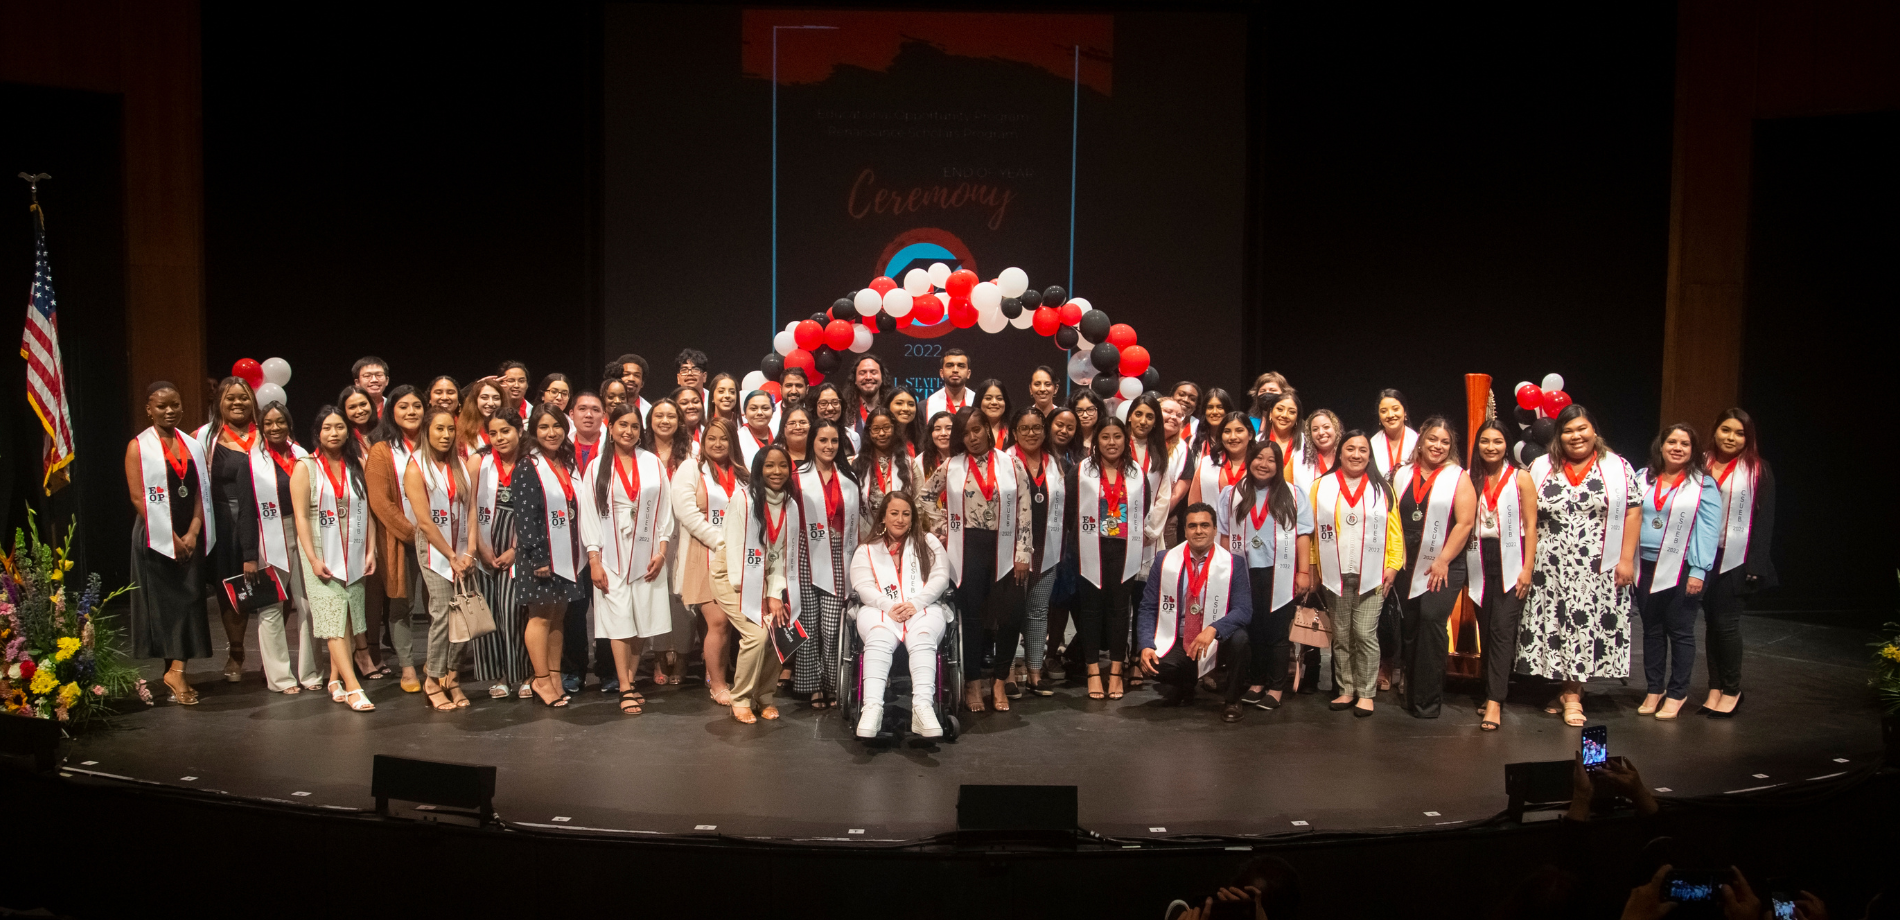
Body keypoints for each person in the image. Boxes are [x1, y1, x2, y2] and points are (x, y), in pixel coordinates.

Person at [1522, 404, 1642, 727]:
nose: (1575, 436)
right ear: (1558, 436)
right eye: (1567, 431)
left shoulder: (1617, 466)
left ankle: (1573, 695)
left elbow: (1633, 510)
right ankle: (1567, 690)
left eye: (1581, 429)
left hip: (1598, 567)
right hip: (1550, 567)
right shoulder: (1540, 467)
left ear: (1594, 431)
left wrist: (1627, 559)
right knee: (1559, 626)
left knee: (1582, 626)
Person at [920, 407, 1034, 712]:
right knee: (970, 619)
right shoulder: (951, 465)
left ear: (988, 428)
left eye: (977, 429)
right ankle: (972, 682)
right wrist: (943, 528)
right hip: (967, 549)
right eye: (965, 432)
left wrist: (1024, 553)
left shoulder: (1012, 464)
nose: (972, 437)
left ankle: (998, 681)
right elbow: (925, 497)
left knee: (1011, 616)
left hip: (1007, 550)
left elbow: (1025, 507)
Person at [580, 403, 674, 715]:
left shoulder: (652, 463)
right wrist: (593, 558)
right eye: (622, 425)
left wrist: (662, 551)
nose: (628, 431)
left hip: (647, 553)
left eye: (634, 426)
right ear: (611, 428)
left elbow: (665, 509)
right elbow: (589, 515)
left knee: (641, 620)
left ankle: (630, 679)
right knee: (619, 620)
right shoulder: (596, 467)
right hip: (611, 553)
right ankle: (624, 685)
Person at [125, 382, 216, 705]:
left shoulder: (192, 444)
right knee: (164, 607)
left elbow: (198, 493)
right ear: (148, 409)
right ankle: (174, 673)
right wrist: (169, 537)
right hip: (153, 536)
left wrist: (192, 532)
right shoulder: (139, 446)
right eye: (161, 406)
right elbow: (138, 497)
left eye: (174, 404)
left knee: (190, 601)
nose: (169, 411)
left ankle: (177, 670)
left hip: (188, 532)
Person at [290, 404, 378, 712]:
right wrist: (312, 559)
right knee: (332, 619)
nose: (334, 433)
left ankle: (334, 679)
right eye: (327, 427)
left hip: (353, 549)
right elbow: (300, 517)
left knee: (351, 617)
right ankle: (353, 687)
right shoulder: (305, 466)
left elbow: (368, 511)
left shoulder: (358, 464)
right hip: (320, 549)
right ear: (317, 432)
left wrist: (371, 550)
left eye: (339, 427)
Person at [1633, 422, 1723, 720]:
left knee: (1680, 632)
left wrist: (1699, 570)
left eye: (1685, 444)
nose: (1677, 448)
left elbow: (1708, 531)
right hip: (1644, 566)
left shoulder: (1702, 485)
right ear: (1661, 445)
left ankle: (1677, 692)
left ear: (1693, 450)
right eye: (1672, 441)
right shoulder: (1643, 478)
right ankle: (1654, 688)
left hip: (1683, 568)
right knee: (1652, 631)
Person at [1310, 430, 1402, 717]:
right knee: (1341, 634)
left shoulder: (1383, 488)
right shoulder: (1321, 486)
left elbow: (1394, 530)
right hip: (1334, 573)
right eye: (1351, 448)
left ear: (1369, 455)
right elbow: (1312, 532)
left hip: (1372, 574)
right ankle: (1347, 688)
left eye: (1363, 450)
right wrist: (1313, 566)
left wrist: (1394, 564)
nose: (1356, 455)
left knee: (1364, 633)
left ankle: (1366, 692)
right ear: (1340, 452)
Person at [1391, 416, 1477, 719]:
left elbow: (1465, 522)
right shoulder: (1402, 474)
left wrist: (1443, 560)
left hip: (1444, 563)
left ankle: (1428, 700)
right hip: (1407, 562)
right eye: (1432, 439)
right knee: (1411, 627)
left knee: (1431, 622)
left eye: (1445, 442)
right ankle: (1410, 694)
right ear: (1421, 440)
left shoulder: (1458, 476)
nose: (1437, 446)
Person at [1138, 503, 1255, 721]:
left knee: (1241, 640)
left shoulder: (1232, 563)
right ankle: (1185, 686)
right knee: (1153, 664)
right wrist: (1145, 644)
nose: (1198, 531)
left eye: (1204, 525)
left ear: (1214, 530)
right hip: (1178, 636)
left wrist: (1214, 628)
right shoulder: (1165, 561)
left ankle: (1232, 700)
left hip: (1216, 639)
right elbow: (1148, 607)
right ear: (1184, 531)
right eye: (1192, 526)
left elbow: (1244, 609)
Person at [850, 491, 952, 738]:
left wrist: (917, 603)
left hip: (923, 606)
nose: (900, 519)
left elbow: (940, 577)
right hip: (880, 609)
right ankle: (872, 709)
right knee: (878, 638)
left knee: (923, 637)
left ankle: (922, 709)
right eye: (894, 513)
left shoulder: (929, 542)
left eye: (906, 514)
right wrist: (887, 605)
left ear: (913, 517)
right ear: (883, 517)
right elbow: (862, 585)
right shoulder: (867, 549)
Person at [1221, 440, 1314, 710]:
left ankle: (1275, 687)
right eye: (1259, 458)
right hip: (1244, 571)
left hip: (1280, 572)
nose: (1264, 464)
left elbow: (1303, 535)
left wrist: (1304, 572)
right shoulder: (1232, 493)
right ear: (1250, 460)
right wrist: (1226, 571)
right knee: (1253, 629)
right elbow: (1226, 536)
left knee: (1276, 632)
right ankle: (1256, 682)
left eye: (1271, 460)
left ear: (1279, 464)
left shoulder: (1294, 495)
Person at [709, 442, 795, 724]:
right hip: (734, 577)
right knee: (757, 635)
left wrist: (773, 592)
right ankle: (741, 697)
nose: (776, 471)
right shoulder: (743, 499)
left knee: (778, 631)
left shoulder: (789, 504)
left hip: (767, 576)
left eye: (782, 465)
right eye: (769, 465)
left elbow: (782, 552)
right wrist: (754, 593)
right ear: (759, 468)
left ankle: (765, 696)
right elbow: (736, 550)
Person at [401, 407, 478, 710]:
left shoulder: (457, 465)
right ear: (426, 431)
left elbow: (471, 510)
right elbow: (424, 522)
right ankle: (433, 679)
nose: (445, 435)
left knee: (464, 616)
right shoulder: (415, 468)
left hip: (462, 550)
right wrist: (451, 555)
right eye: (439, 429)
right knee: (444, 614)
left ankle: (452, 678)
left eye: (450, 430)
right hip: (436, 549)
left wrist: (469, 551)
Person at [1699, 408, 1774, 718]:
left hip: (1737, 558)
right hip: (1703, 556)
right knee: (1711, 624)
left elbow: (1765, 519)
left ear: (1748, 438)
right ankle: (1714, 687)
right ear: (1715, 431)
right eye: (1726, 430)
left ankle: (1732, 689)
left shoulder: (1758, 470)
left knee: (1727, 625)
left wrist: (1755, 564)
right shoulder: (1700, 463)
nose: (1731, 437)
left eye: (1739, 433)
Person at [1466, 419, 1538, 731]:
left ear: (1506, 444)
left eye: (1497, 441)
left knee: (1501, 630)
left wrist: (1527, 568)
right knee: (1486, 628)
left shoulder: (1521, 478)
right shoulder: (1471, 478)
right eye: (1485, 441)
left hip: (1513, 558)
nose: (1491, 447)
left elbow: (1532, 527)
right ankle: (1492, 691)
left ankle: (1495, 701)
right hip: (1479, 559)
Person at [248, 402, 324, 693]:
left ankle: (311, 672)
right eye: (268, 423)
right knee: (271, 606)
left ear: (289, 423)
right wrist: (248, 555)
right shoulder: (252, 460)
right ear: (261, 426)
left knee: (308, 604)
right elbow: (245, 511)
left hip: (303, 529)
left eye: (280, 422)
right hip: (268, 534)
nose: (275, 427)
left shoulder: (302, 455)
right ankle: (280, 678)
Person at [672, 416, 747, 705]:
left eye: (724, 438)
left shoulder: (741, 473)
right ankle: (718, 683)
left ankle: (719, 673)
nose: (717, 444)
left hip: (737, 558)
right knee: (717, 621)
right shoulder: (692, 468)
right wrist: (720, 542)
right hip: (702, 554)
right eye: (711, 438)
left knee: (729, 622)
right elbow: (686, 512)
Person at [1072, 416, 1148, 702]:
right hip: (1090, 549)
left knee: (1120, 611)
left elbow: (1144, 509)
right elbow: (1070, 510)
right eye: (1105, 436)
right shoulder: (1081, 471)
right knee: (1090, 610)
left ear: (1125, 440)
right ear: (1097, 440)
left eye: (1117, 436)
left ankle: (1116, 670)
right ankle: (1093, 670)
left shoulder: (1136, 474)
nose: (1111, 442)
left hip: (1124, 550)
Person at [788, 418, 861, 709]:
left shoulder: (849, 479)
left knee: (832, 627)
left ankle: (833, 682)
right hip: (805, 554)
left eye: (834, 441)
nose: (829, 446)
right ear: (812, 443)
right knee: (808, 624)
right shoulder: (797, 477)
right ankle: (811, 685)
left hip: (839, 555)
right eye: (823, 441)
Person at [364, 384, 428, 694]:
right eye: (404, 406)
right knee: (402, 606)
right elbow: (380, 502)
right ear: (392, 412)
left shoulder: (436, 443)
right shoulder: (382, 450)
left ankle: (435, 664)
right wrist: (413, 533)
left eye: (417, 405)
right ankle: (407, 667)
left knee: (439, 607)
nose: (412, 411)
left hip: (439, 541)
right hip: (402, 541)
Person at [200, 377, 261, 685]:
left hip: (270, 522)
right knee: (233, 592)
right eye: (230, 399)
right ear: (219, 404)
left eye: (244, 398)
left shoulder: (268, 434)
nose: (238, 403)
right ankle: (236, 652)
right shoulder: (205, 438)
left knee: (273, 592)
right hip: (226, 524)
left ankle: (271, 656)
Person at [468, 410, 530, 699]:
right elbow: (469, 508)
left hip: (518, 548)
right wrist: (479, 546)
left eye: (505, 431)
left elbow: (536, 512)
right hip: (486, 546)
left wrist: (516, 551)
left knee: (513, 613)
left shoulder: (530, 462)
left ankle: (526, 673)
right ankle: (502, 675)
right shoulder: (480, 462)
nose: (499, 438)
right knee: (491, 613)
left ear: (519, 430)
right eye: (493, 433)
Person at [1009, 406, 1067, 696]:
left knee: (1037, 611)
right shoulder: (1005, 460)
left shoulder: (1054, 462)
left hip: (1047, 548)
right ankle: (1006, 672)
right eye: (1025, 429)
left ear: (1045, 432)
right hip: (1011, 553)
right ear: (1015, 432)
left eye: (1037, 428)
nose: (1031, 434)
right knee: (1008, 613)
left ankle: (1034, 670)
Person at [644, 396, 694, 686]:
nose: (665, 421)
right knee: (657, 596)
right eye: (659, 416)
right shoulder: (640, 452)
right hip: (649, 532)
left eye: (671, 416)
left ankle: (684, 656)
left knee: (682, 598)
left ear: (679, 421)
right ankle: (660, 656)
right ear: (650, 421)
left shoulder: (692, 452)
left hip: (685, 529)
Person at [563, 391, 610, 693]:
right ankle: (573, 670)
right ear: (572, 414)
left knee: (606, 608)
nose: (589, 414)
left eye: (595, 409)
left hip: (606, 542)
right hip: (567, 542)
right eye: (582, 409)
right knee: (573, 610)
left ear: (603, 415)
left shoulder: (612, 449)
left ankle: (608, 669)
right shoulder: (559, 448)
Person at [852, 406, 921, 532]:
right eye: (876, 429)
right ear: (868, 432)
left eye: (886, 428)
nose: (882, 433)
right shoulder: (856, 464)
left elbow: (918, 503)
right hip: (866, 533)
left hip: (903, 533)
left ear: (894, 429)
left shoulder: (910, 464)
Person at [1187, 415, 1252, 510]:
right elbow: (1194, 504)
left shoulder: (1258, 464)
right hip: (1213, 523)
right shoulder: (1207, 463)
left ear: (1250, 435)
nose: (1233, 437)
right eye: (1227, 431)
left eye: (1239, 431)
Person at [1371, 388, 1417, 480]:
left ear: (1405, 412)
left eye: (1395, 409)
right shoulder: (1371, 444)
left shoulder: (1418, 441)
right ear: (1379, 417)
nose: (1390, 415)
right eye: (1384, 411)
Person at [1291, 408, 1342, 492]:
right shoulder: (1298, 460)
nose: (1321, 432)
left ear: (1336, 429)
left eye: (1326, 427)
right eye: (1315, 429)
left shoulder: (1347, 457)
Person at [456, 376, 504, 457]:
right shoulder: (461, 430)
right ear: (475, 400)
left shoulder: (511, 427)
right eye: (484, 398)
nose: (491, 403)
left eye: (496, 398)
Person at [1255, 391, 1304, 466]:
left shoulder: (1306, 444)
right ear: (1270, 413)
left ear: (1297, 418)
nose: (1284, 415)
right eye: (1280, 409)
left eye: (1291, 412)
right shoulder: (1257, 441)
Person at [1188, 388, 1239, 458]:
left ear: (1228, 410)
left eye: (1220, 407)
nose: (1214, 412)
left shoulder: (1237, 439)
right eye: (1210, 407)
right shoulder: (1195, 440)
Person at [843, 354, 888, 432]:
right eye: (862, 373)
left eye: (873, 372)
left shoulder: (892, 407)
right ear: (855, 380)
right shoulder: (844, 410)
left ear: (882, 378)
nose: (868, 377)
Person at [810, 382, 858, 453]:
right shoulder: (808, 437)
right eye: (823, 403)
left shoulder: (853, 437)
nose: (830, 408)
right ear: (814, 407)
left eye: (835, 402)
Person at [925, 347, 973, 417]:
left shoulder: (979, 404)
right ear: (941, 373)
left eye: (961, 366)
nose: (955, 370)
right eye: (950, 366)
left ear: (968, 374)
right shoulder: (925, 407)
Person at [606, 352, 653, 418]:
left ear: (642, 383)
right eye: (626, 374)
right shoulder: (601, 408)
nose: (631, 379)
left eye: (636, 375)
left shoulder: (650, 412)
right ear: (617, 378)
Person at [737, 390, 776, 466]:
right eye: (753, 409)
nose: (759, 413)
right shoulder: (737, 438)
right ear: (745, 413)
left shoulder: (779, 436)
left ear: (772, 412)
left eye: (765, 408)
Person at [973, 378, 1012, 449]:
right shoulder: (970, 432)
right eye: (988, 398)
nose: (994, 402)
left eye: (999, 398)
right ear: (979, 401)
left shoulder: (1013, 431)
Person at [338, 385, 376, 456]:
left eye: (363, 404)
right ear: (344, 410)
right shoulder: (341, 437)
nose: (360, 411)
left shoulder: (385, 431)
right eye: (352, 407)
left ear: (371, 404)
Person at [885, 385, 924, 453]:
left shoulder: (923, 441)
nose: (906, 409)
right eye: (899, 403)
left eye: (911, 404)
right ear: (888, 406)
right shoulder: (880, 439)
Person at [919, 410, 956, 480]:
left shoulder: (966, 458)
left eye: (949, 428)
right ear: (930, 434)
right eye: (937, 429)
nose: (943, 433)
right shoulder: (919, 462)